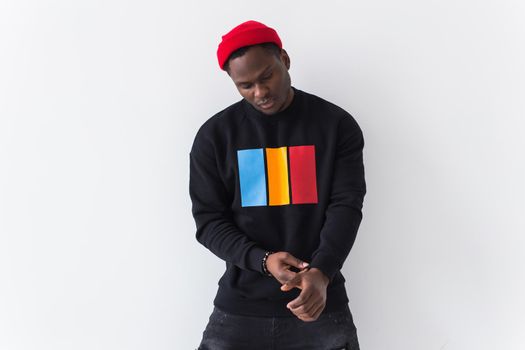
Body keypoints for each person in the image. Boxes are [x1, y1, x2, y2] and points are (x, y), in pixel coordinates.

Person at [189, 20, 366, 350]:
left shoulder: (336, 125)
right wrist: (262, 259)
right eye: (245, 85)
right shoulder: (215, 136)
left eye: (266, 76)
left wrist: (322, 271)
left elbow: (346, 206)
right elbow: (209, 222)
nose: (260, 92)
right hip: (240, 307)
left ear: (284, 60)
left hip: (319, 302)